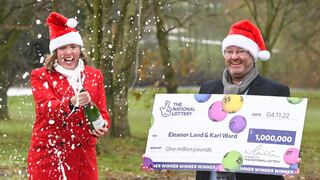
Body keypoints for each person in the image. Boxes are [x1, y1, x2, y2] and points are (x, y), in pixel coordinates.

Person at [196, 20, 299, 180]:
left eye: (240, 51)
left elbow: (284, 137)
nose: (234, 57)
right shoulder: (208, 90)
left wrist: (290, 160)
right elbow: (194, 135)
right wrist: (163, 155)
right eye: (229, 51)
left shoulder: (276, 91)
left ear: (253, 55)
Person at [27, 12, 110, 180]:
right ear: (55, 52)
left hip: (84, 157)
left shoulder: (94, 75)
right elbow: (45, 108)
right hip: (51, 154)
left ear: (80, 49)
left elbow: (102, 112)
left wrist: (102, 126)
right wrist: (71, 103)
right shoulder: (41, 76)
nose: (68, 52)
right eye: (62, 48)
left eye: (73, 47)